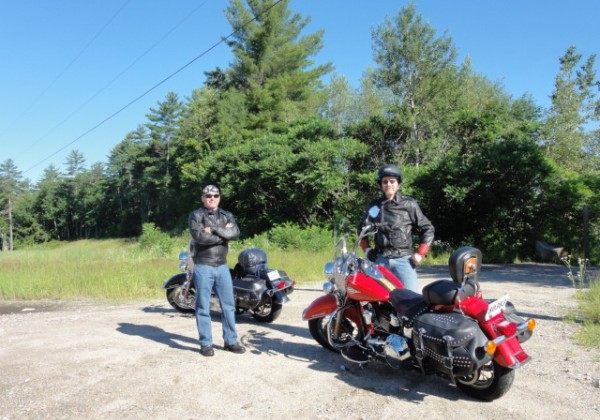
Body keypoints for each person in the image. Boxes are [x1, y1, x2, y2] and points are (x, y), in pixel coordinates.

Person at [358, 164, 434, 294]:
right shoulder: (375, 206)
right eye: (385, 181)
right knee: (378, 300)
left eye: (392, 181)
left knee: (412, 300)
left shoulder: (409, 204)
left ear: (398, 183)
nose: (388, 184)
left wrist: (421, 253)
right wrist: (367, 249)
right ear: (381, 184)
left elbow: (427, 228)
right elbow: (362, 227)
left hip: (404, 260)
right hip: (381, 260)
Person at [188, 184, 245, 356]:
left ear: (219, 197)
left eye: (215, 195)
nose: (211, 198)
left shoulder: (227, 215)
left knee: (228, 305)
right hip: (203, 265)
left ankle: (231, 341)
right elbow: (199, 237)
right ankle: (206, 343)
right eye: (208, 195)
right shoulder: (196, 215)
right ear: (202, 198)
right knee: (203, 306)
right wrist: (222, 234)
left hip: (222, 266)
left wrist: (212, 229)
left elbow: (235, 233)